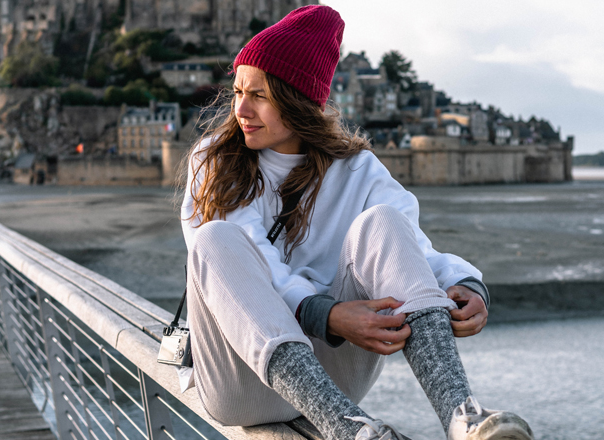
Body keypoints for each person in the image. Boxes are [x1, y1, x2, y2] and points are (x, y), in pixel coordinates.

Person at [179, 5, 534, 440]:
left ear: (298, 102)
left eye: (259, 96)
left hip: (336, 374)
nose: (240, 110)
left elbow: (411, 246)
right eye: (237, 92)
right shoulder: (212, 160)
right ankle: (349, 430)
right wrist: (324, 315)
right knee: (216, 238)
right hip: (240, 381)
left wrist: (465, 285)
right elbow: (254, 252)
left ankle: (462, 416)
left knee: (381, 221)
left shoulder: (357, 169)